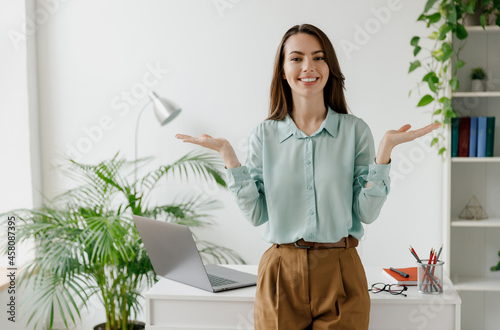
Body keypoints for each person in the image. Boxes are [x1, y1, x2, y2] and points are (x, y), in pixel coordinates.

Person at [175, 23, 440, 330]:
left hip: (341, 268)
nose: (308, 67)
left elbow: (366, 212)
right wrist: (229, 157)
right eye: (297, 58)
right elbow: (256, 214)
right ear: (283, 70)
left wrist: (385, 153)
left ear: (330, 67)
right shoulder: (265, 134)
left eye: (318, 57)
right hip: (281, 272)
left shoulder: (355, 131)